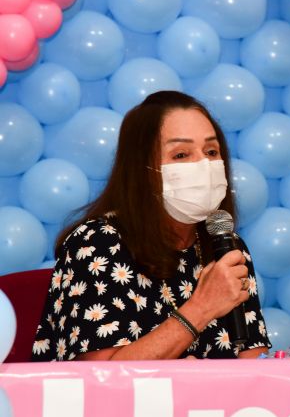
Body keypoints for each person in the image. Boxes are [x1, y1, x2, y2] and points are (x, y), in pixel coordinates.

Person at [32, 91, 270, 361]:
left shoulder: (227, 247)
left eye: (211, 152)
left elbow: (254, 367)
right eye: (181, 155)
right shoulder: (97, 244)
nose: (203, 165)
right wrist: (201, 308)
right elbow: (100, 379)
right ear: (143, 170)